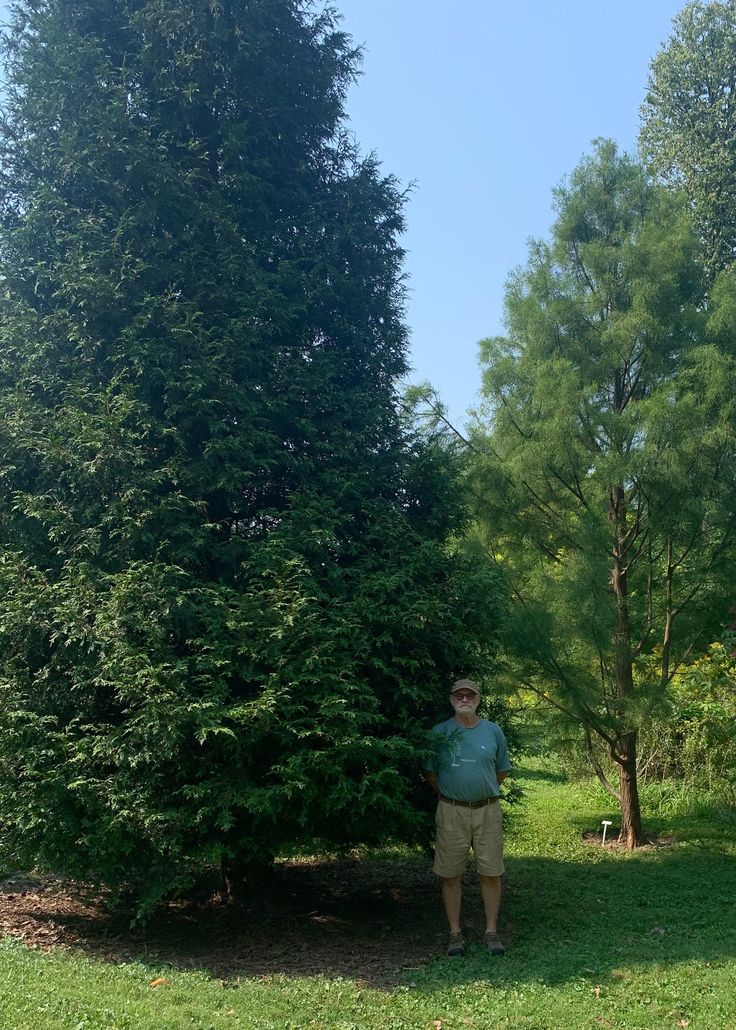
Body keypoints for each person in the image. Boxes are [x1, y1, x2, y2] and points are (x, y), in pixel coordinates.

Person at [424, 679, 511, 958]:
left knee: (491, 872)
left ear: (478, 699)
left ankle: (491, 932)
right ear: (451, 700)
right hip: (451, 811)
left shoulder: (493, 732)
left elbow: (501, 772)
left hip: (488, 810)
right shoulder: (439, 733)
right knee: (450, 875)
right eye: (459, 695)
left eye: (469, 695)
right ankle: (455, 934)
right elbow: (431, 775)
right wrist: (455, 796)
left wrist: (477, 792)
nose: (464, 699)